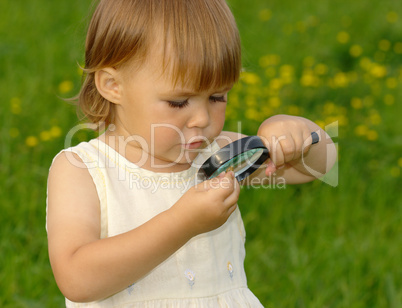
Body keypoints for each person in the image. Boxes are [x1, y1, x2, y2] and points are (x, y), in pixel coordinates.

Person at [46, 0, 337, 307]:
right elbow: (77, 279)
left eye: (217, 97)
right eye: (178, 102)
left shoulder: (219, 153)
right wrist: (182, 223)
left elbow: (316, 168)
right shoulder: (83, 170)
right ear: (112, 85)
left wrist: (298, 134)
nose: (202, 119)